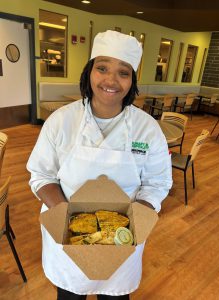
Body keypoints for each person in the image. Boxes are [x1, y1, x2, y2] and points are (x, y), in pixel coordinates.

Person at [27, 30, 172, 300]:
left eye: (123, 72)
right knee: (70, 294)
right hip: (66, 235)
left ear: (132, 80)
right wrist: (66, 220)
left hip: (123, 238)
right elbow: (41, 174)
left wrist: (126, 227)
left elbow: (158, 182)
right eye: (102, 68)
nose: (111, 80)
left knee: (115, 295)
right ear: (89, 72)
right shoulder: (61, 121)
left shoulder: (147, 130)